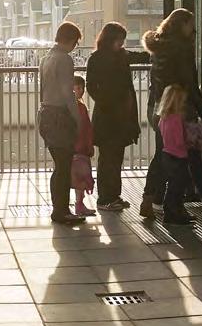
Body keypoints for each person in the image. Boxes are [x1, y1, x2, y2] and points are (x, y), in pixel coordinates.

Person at [141, 9, 202, 218]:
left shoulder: (159, 46)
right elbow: (190, 82)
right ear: (182, 24)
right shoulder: (181, 48)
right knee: (182, 155)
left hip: (160, 106)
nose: (193, 28)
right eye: (191, 24)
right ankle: (175, 205)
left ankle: (151, 198)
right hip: (179, 105)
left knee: (163, 154)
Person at [84, 22, 151, 212]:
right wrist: (107, 101)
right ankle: (106, 198)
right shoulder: (101, 58)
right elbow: (91, 85)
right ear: (111, 39)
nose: (121, 43)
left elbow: (91, 86)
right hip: (111, 115)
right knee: (109, 158)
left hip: (116, 115)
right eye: (119, 39)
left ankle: (113, 196)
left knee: (114, 157)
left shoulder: (110, 56)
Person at [38, 22, 86, 225]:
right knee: (64, 165)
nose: (75, 46)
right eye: (75, 42)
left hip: (46, 114)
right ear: (71, 40)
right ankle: (61, 210)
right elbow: (68, 94)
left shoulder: (46, 58)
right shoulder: (64, 60)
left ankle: (59, 208)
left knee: (59, 165)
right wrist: (77, 118)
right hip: (59, 116)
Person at [157, 84, 196, 226]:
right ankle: (174, 213)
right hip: (179, 156)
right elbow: (180, 140)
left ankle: (172, 212)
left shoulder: (163, 118)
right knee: (179, 186)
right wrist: (190, 142)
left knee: (173, 185)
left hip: (167, 154)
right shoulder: (177, 118)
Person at [72, 76, 96, 216]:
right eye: (78, 88)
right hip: (81, 148)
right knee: (81, 177)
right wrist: (89, 145)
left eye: (82, 88)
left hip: (76, 147)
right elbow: (86, 128)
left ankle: (78, 204)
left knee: (76, 177)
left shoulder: (73, 107)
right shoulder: (80, 108)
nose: (81, 91)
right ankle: (79, 204)